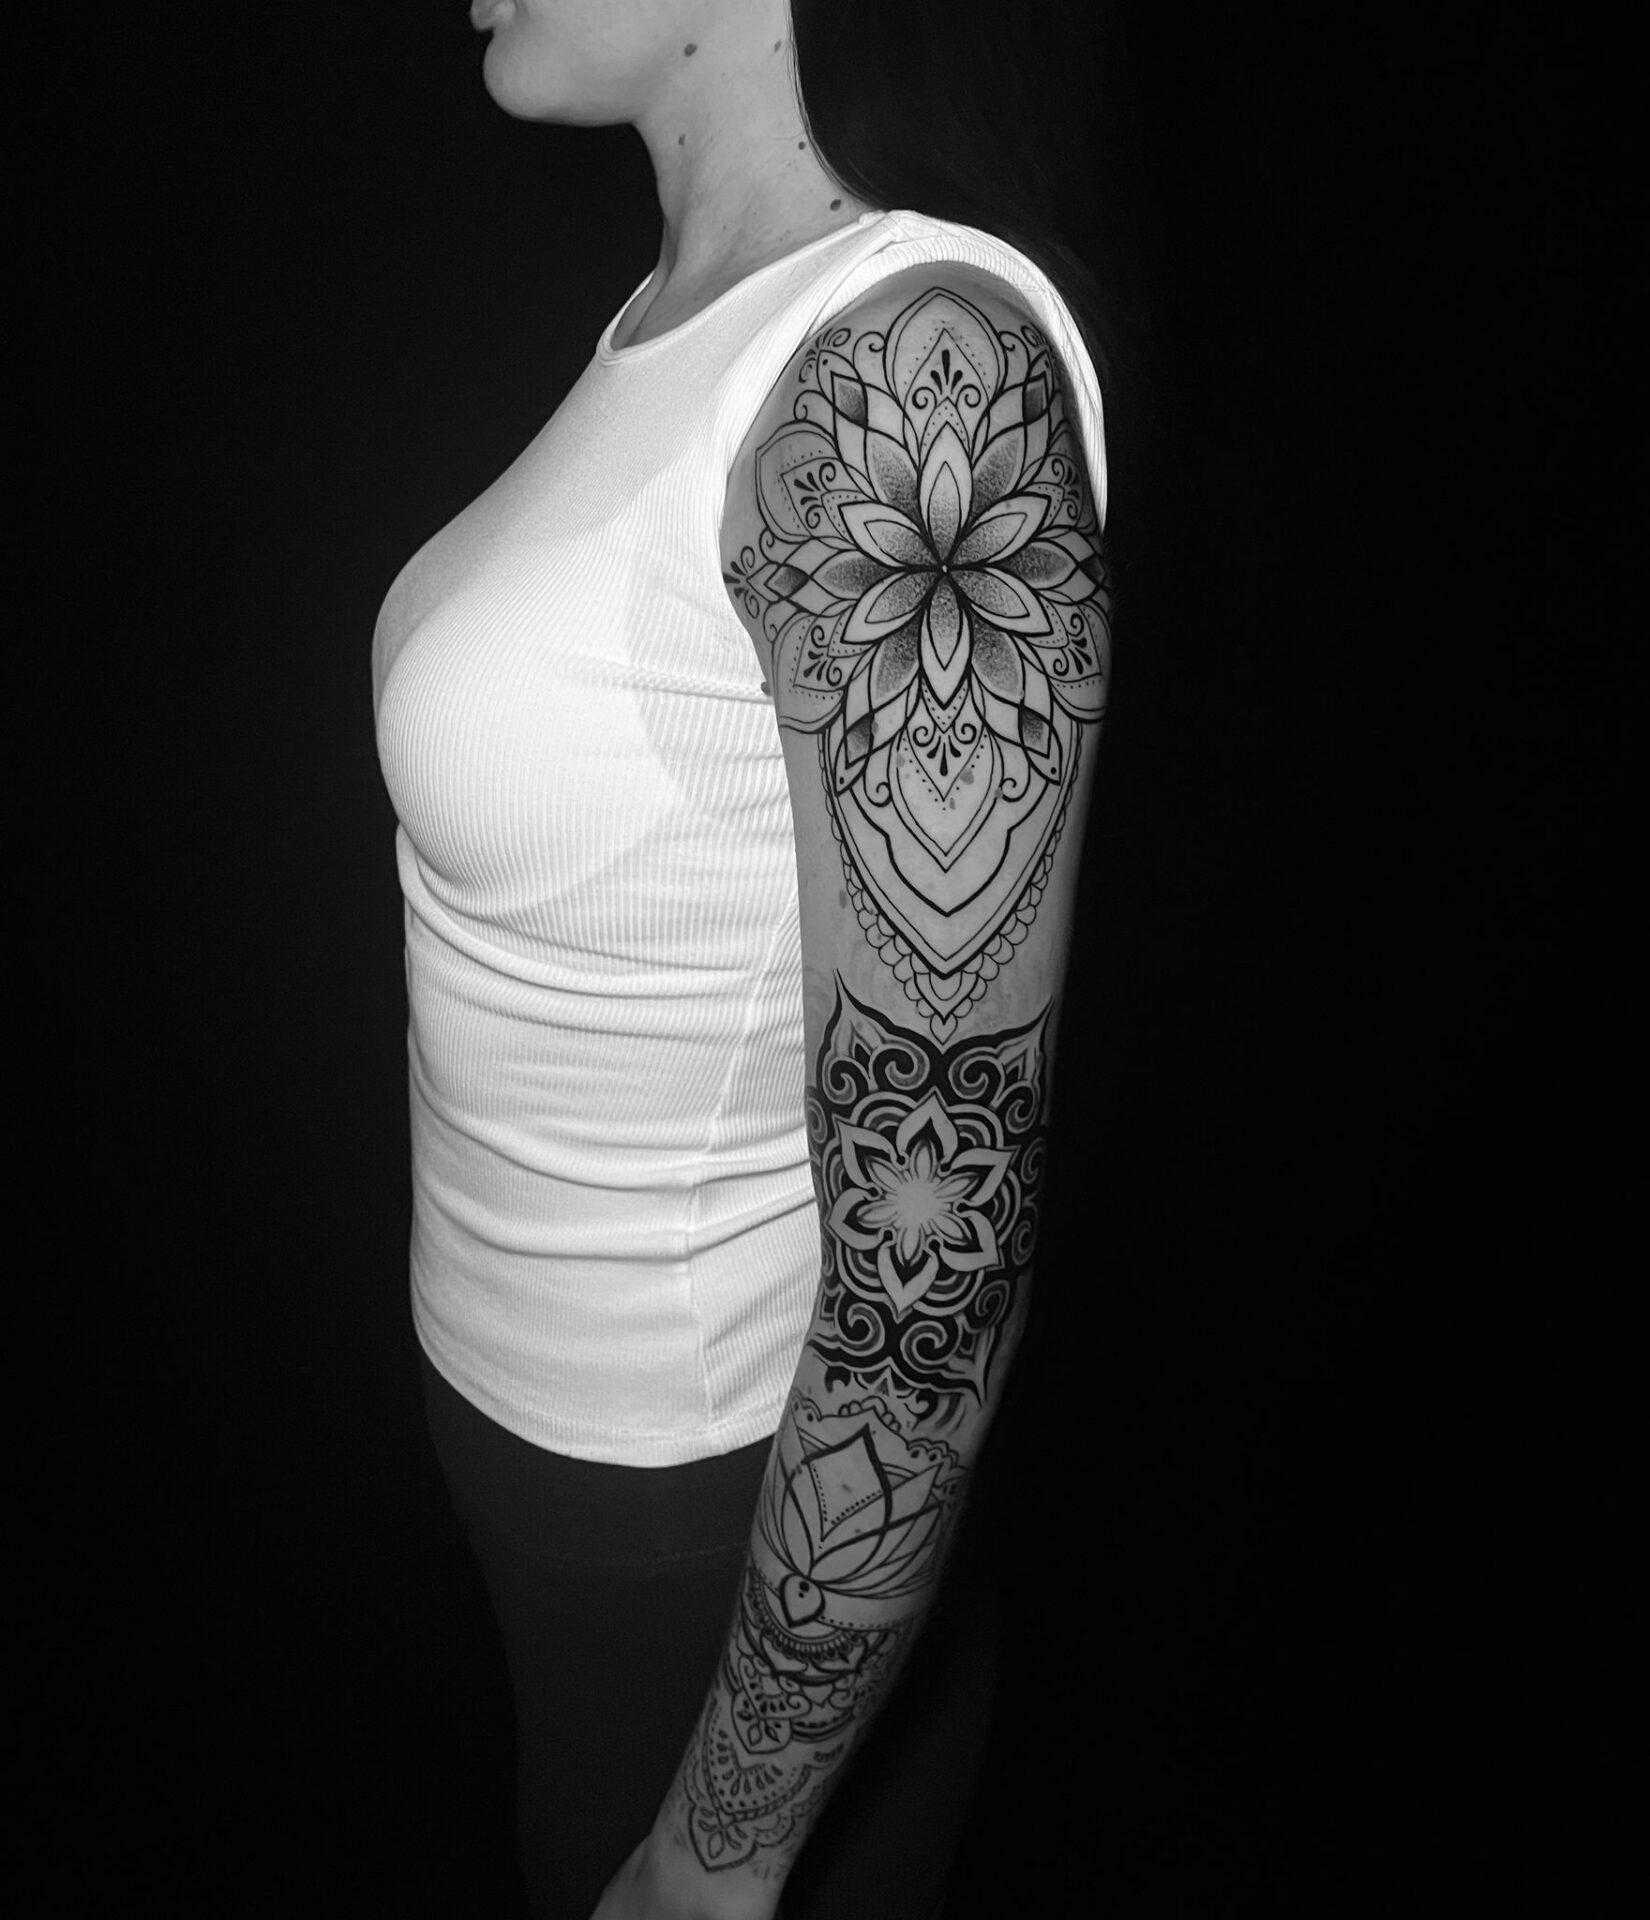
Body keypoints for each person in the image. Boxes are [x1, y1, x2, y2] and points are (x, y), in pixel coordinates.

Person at [372, 3, 1113, 1914]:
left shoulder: (915, 370)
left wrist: (723, 1856)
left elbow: (931, 1252)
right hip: (554, 1477)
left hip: (712, 1530)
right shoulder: (684, 316)